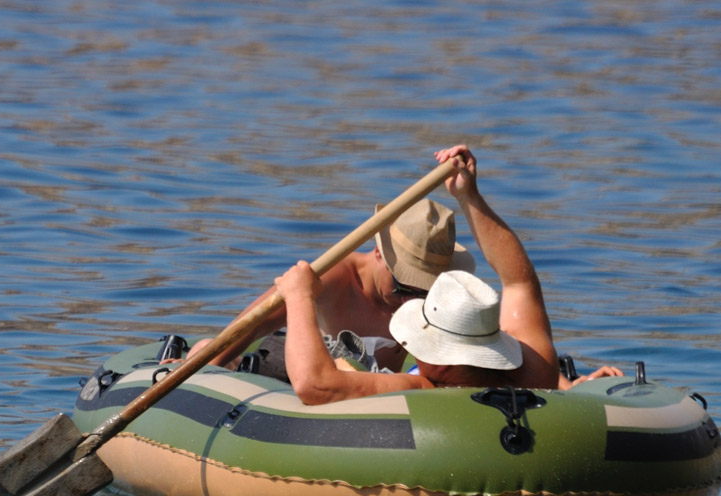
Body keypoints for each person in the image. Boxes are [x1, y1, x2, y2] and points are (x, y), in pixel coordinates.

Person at [274, 144, 621, 405]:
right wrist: (470, 196)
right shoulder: (535, 373)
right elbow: (520, 281)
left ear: (438, 365)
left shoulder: (420, 390)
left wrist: (299, 296)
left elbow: (314, 384)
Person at [192, 191, 476, 376]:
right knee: (206, 351)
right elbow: (257, 321)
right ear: (379, 253)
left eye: (421, 291)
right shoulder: (334, 275)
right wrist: (203, 364)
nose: (407, 302)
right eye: (403, 287)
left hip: (373, 396)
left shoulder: (440, 296)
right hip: (299, 379)